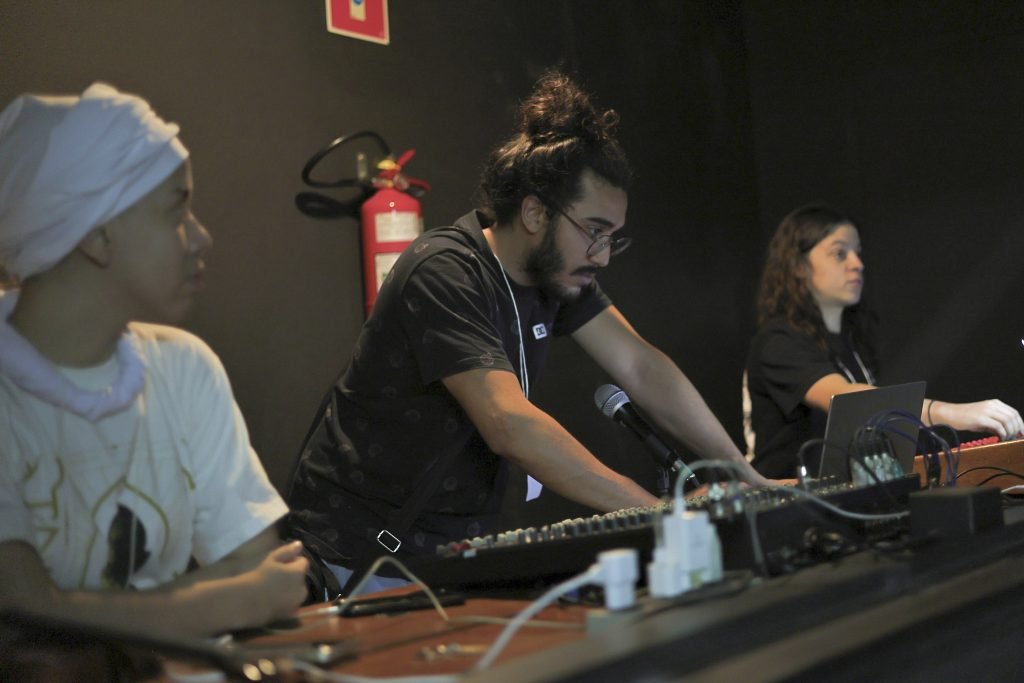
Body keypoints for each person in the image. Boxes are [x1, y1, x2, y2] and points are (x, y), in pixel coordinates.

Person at [286, 70, 771, 594]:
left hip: (442, 556)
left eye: (614, 238)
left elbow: (641, 366)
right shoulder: (444, 270)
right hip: (356, 553)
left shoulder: (554, 276)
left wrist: (746, 476)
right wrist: (655, 511)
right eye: (594, 232)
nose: (603, 256)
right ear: (537, 212)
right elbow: (508, 422)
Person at [0, 83, 308, 640]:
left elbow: (259, 567)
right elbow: (20, 613)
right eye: (176, 211)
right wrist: (229, 601)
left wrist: (82, 613)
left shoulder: (183, 367)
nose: (201, 237)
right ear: (96, 236)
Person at [745, 204, 1023, 479]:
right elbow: (843, 399)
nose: (857, 264)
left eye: (857, 252)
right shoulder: (777, 340)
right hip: (789, 501)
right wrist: (950, 412)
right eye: (840, 253)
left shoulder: (852, 340)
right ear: (797, 265)